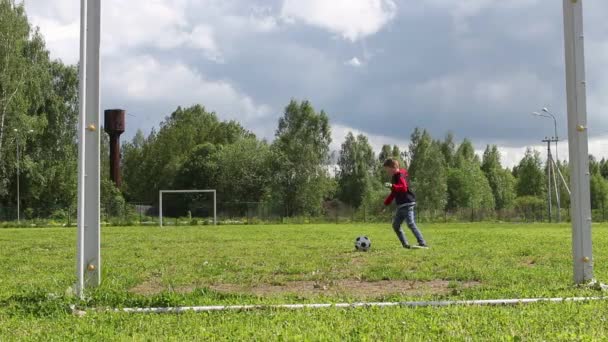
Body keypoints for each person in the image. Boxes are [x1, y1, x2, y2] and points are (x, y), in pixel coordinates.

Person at [383, 159, 428, 249]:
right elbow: (394, 193)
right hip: (401, 206)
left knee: (410, 223)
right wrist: (385, 204)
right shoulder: (394, 177)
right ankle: (405, 245)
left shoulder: (400, 175)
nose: (386, 171)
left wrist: (392, 186)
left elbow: (403, 188)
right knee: (396, 226)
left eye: (387, 169)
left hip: (407, 203)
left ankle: (422, 243)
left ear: (393, 167)